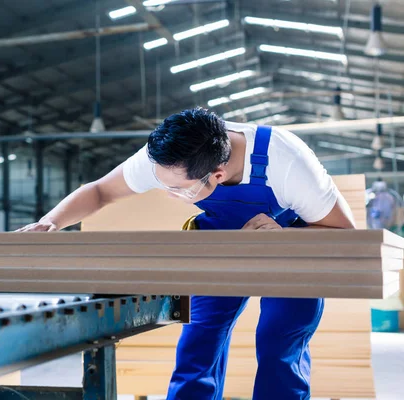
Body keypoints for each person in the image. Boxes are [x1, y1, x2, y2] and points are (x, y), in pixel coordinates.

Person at [17, 107, 355, 399]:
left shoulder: (289, 163)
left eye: (176, 189)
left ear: (218, 175)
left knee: (279, 343)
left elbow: (344, 234)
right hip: (220, 246)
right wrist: (50, 223)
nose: (166, 193)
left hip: (293, 245)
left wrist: (279, 238)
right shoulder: (167, 158)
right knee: (198, 340)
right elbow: (100, 191)